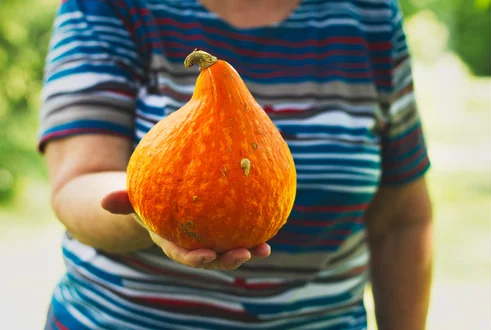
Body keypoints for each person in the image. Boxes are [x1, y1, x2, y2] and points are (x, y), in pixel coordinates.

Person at [39, 0, 433, 329]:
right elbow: (78, 181)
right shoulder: (108, 6)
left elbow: (403, 220)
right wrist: (149, 213)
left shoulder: (370, 15)